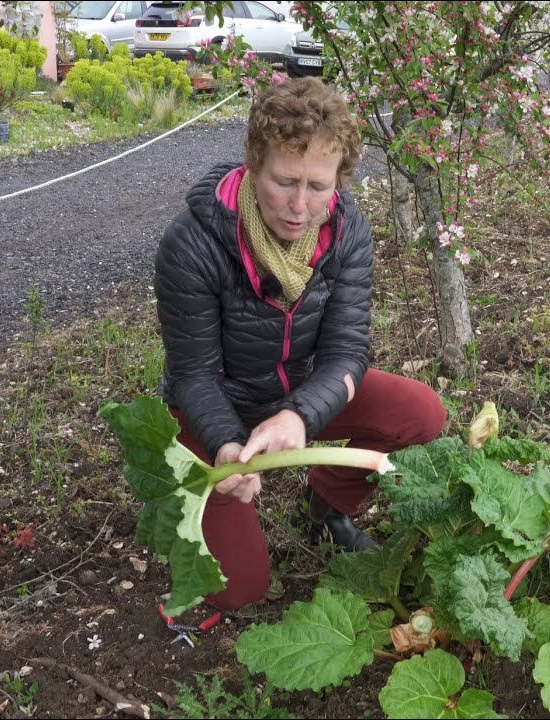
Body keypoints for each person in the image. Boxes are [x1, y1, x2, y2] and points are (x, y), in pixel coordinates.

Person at [153, 77, 447, 612]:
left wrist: (298, 417)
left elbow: (346, 354)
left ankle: (323, 510)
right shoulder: (193, 242)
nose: (299, 206)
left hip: (295, 395)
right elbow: (193, 374)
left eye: (318, 186)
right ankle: (184, 504)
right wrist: (224, 445)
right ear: (253, 164)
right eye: (285, 181)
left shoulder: (347, 232)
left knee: (420, 413)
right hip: (214, 412)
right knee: (237, 592)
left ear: (340, 178)